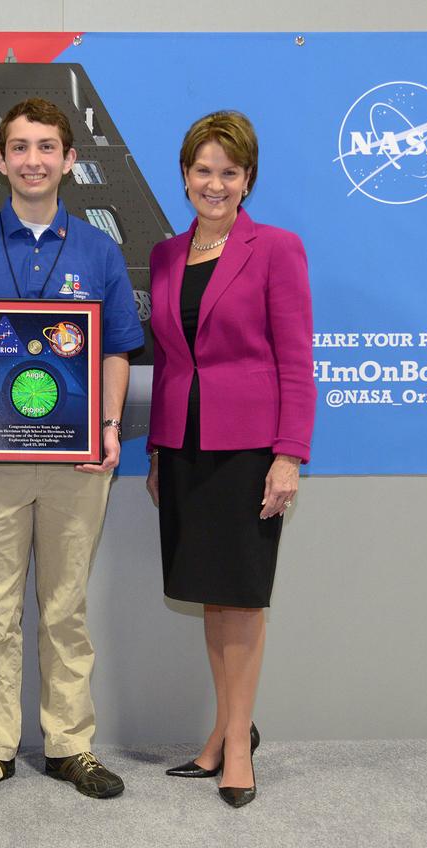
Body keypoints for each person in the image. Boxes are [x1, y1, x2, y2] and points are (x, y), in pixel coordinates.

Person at [0, 98, 144, 801]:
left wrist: (109, 426)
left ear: (69, 160)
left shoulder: (97, 250)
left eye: (46, 147)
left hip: (76, 465)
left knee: (64, 607)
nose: (32, 160)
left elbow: (116, 350)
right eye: (19, 147)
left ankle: (69, 743)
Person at [145, 111, 316, 808]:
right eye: (202, 169)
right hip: (183, 447)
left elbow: (297, 364)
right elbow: (164, 357)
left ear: (248, 180)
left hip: (248, 451)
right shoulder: (164, 256)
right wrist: (157, 449)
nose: (214, 184)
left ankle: (239, 745)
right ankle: (221, 729)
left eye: (229, 171)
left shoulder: (275, 249)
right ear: (185, 175)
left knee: (242, 599)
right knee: (213, 597)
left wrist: (288, 456)